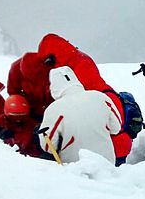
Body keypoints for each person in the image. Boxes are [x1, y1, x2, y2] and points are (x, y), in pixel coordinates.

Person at [37, 33, 132, 165]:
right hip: (116, 149)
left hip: (86, 161)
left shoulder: (59, 106)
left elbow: (49, 146)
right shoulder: (81, 61)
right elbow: (115, 126)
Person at [39, 66, 121, 164]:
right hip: (106, 163)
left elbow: (48, 146)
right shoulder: (101, 97)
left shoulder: (54, 109)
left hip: (75, 169)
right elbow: (116, 128)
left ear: (54, 86)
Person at [0, 95, 51, 159]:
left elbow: (35, 146)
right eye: (15, 115)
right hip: (3, 155)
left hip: (28, 158)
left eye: (22, 115)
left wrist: (40, 152)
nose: (18, 119)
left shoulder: (32, 124)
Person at [7, 52, 54, 121]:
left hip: (53, 110)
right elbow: (13, 92)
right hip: (30, 111)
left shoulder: (53, 68)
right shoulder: (16, 69)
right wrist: (23, 108)